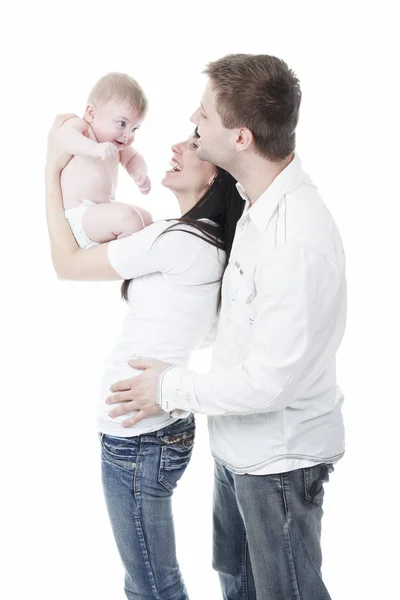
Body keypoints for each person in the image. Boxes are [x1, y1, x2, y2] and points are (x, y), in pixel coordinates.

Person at [107, 54, 347, 600]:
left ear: (239, 137)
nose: (194, 119)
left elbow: (267, 383)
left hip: (278, 465)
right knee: (237, 583)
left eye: (205, 116)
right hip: (238, 447)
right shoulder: (255, 207)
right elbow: (242, 326)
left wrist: (166, 386)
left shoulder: (295, 242)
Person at [45, 121, 245, 600]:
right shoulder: (202, 240)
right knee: (150, 582)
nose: (177, 147)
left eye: (195, 145)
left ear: (216, 176)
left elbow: (66, 263)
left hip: (137, 439)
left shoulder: (180, 240)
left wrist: (51, 172)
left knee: (151, 587)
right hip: (152, 428)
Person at [57, 72, 152, 251]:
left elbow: (134, 158)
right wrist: (93, 148)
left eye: (135, 129)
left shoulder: (118, 146)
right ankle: (118, 261)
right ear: (91, 113)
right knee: (130, 219)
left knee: (146, 218)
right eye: (122, 124)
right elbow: (63, 137)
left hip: (101, 213)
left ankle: (125, 254)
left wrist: (140, 174)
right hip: (79, 217)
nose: (128, 135)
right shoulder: (83, 130)